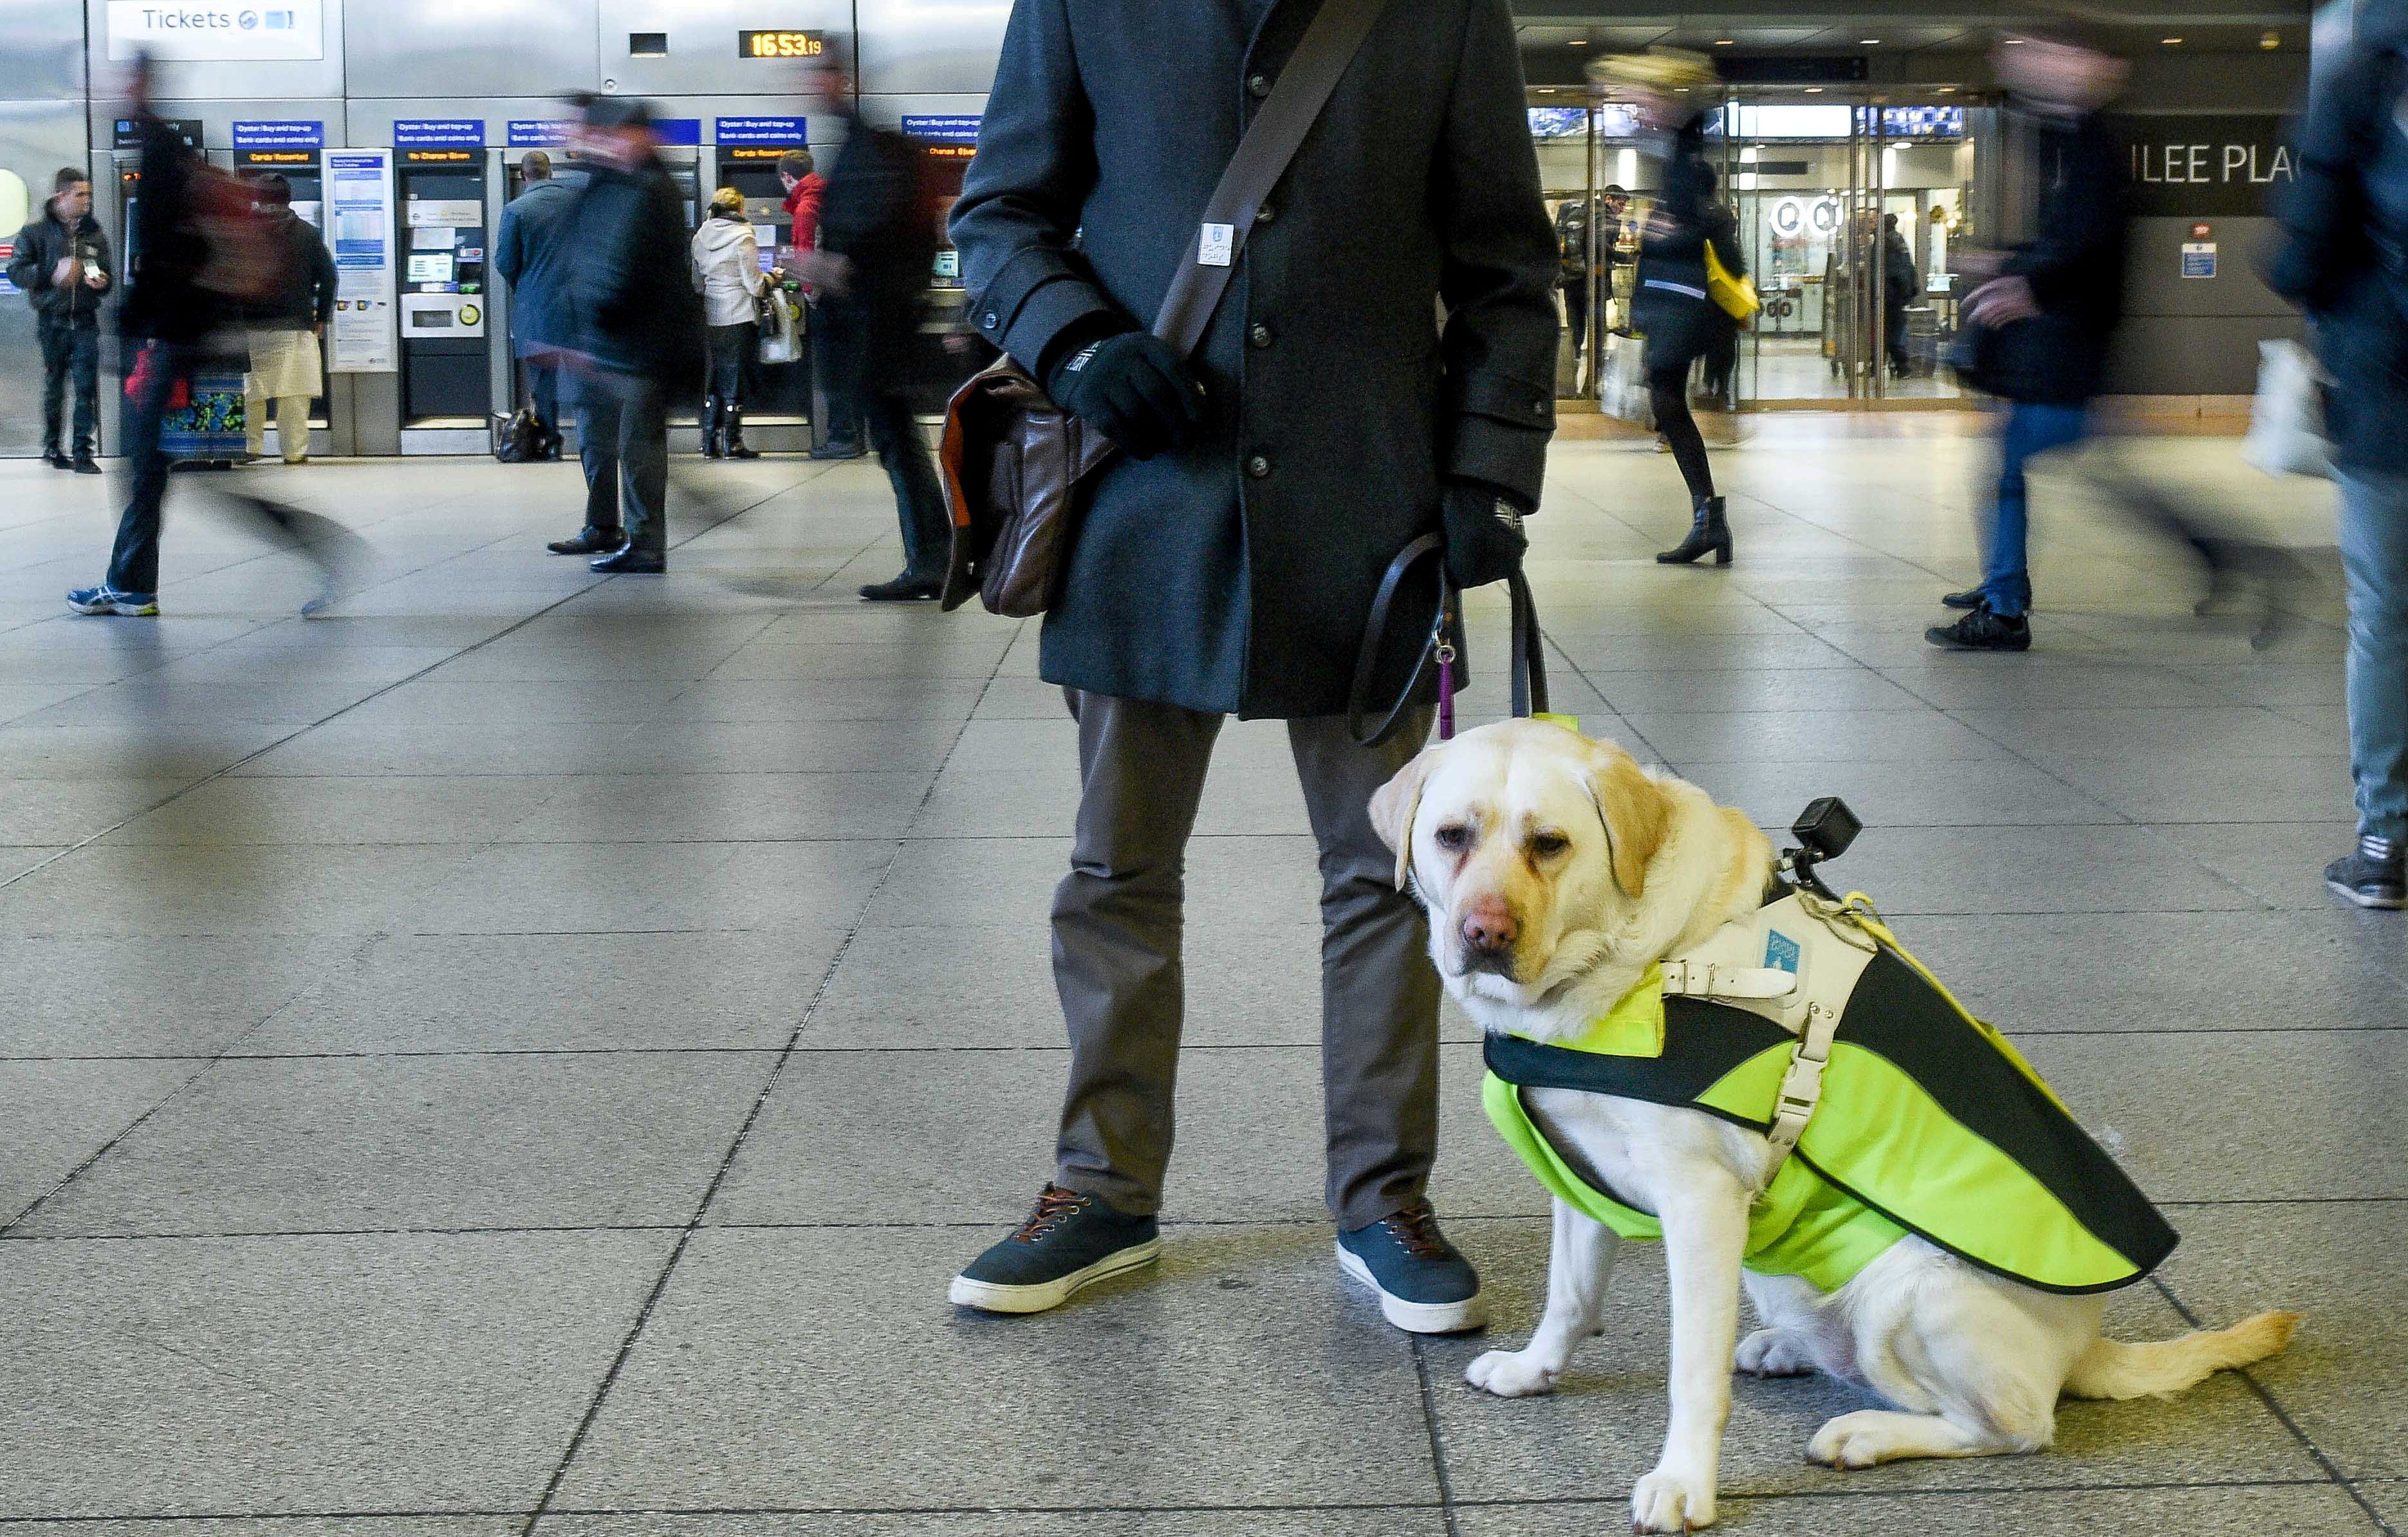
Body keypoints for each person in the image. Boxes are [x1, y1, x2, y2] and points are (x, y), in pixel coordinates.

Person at [945, 0, 1557, 1329]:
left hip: (1368, 508)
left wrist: (1484, 469)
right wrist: (1076, 340)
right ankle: (1098, 1189)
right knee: (1115, 867)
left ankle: (1381, 1196)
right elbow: (998, 216)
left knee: (1388, 869)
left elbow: (1507, 261)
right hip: (1143, 510)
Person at [2267, 12, 2408, 908]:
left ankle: (2385, 841)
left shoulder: (2360, 71)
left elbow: (2301, 248)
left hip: (2385, 388)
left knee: (2385, 617)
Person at [1926, 30, 2129, 652]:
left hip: (2072, 348)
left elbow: (2085, 243)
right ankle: (2002, 584)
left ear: (2094, 64)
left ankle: (2006, 604)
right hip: (2066, 345)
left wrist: (2023, 283)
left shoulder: (2097, 147)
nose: (2034, 69)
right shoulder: (2073, 141)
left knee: (2011, 463)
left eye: (2049, 54)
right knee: (2014, 462)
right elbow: (2067, 243)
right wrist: (2007, 265)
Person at [796, 51, 952, 600]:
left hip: (877, 327)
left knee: (898, 441)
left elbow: (870, 242)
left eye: (815, 76)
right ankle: (933, 554)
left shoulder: (871, 149)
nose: (807, 88)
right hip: (884, 323)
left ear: (841, 80)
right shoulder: (867, 146)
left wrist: (829, 266)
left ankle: (932, 558)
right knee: (897, 439)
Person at [546, 97, 701, 573]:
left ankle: (647, 543)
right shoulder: (630, 184)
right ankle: (634, 533)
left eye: (620, 135)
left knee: (639, 448)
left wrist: (600, 314)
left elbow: (628, 266)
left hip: (642, 346)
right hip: (624, 343)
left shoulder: (650, 189)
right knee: (630, 443)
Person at [1611, 53, 1746, 566]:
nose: (1640, 106)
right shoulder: (1676, 147)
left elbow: (1702, 228)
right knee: (1667, 404)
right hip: (1674, 306)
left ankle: (1710, 521)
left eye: (1649, 97)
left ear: (1671, 98)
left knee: (1668, 403)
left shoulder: (1687, 156)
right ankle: (1709, 520)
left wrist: (1669, 230)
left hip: (1682, 308)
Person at [8, 167, 111, 473]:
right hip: (51, 322)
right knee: (55, 386)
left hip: (84, 322)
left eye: (89, 194)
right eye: (80, 194)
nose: (87, 200)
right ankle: (52, 448)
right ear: (61, 196)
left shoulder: (93, 234)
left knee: (85, 388)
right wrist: (50, 273)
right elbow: (16, 271)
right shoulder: (35, 234)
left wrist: (101, 281)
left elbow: (100, 271)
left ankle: (82, 452)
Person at [239, 173, 335, 465]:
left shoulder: (244, 234)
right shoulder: (307, 234)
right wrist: (322, 317)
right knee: (293, 394)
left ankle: (249, 448)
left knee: (251, 394)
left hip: (251, 327)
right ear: (288, 199)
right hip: (295, 326)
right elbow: (329, 277)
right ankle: (294, 451)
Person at [494, 148, 576, 459]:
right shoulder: (576, 205)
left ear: (523, 175)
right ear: (550, 172)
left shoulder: (516, 210)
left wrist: (526, 287)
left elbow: (504, 262)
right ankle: (595, 442)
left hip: (537, 310)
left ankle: (553, 444)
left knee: (543, 381)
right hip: (579, 307)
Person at [780, 147, 862, 459]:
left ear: (788, 176)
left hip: (825, 297)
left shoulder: (806, 206)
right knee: (844, 367)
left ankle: (842, 438)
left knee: (831, 369)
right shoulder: (829, 197)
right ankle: (851, 434)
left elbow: (806, 253)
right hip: (844, 292)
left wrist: (810, 293)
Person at [692, 186, 765, 459]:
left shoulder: (700, 236)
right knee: (734, 378)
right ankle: (732, 442)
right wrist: (771, 279)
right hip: (738, 314)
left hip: (711, 314)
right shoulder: (744, 236)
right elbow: (754, 284)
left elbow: (696, 280)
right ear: (740, 209)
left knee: (714, 377)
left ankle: (709, 441)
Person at [1882, 211, 1917, 378]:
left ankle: (1902, 365)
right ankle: (1899, 364)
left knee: (1891, 333)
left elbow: (1890, 271)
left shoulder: (1887, 241)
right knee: (1895, 331)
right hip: (1898, 295)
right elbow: (1908, 267)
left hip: (1890, 295)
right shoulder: (1899, 240)